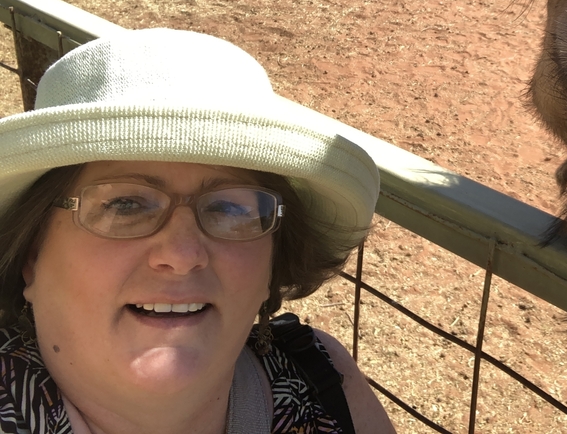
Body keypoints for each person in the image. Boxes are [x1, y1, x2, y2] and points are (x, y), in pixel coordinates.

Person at [0, 27, 396, 434]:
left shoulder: (325, 379)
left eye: (229, 208)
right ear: (31, 253)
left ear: (272, 261)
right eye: (125, 205)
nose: (183, 254)